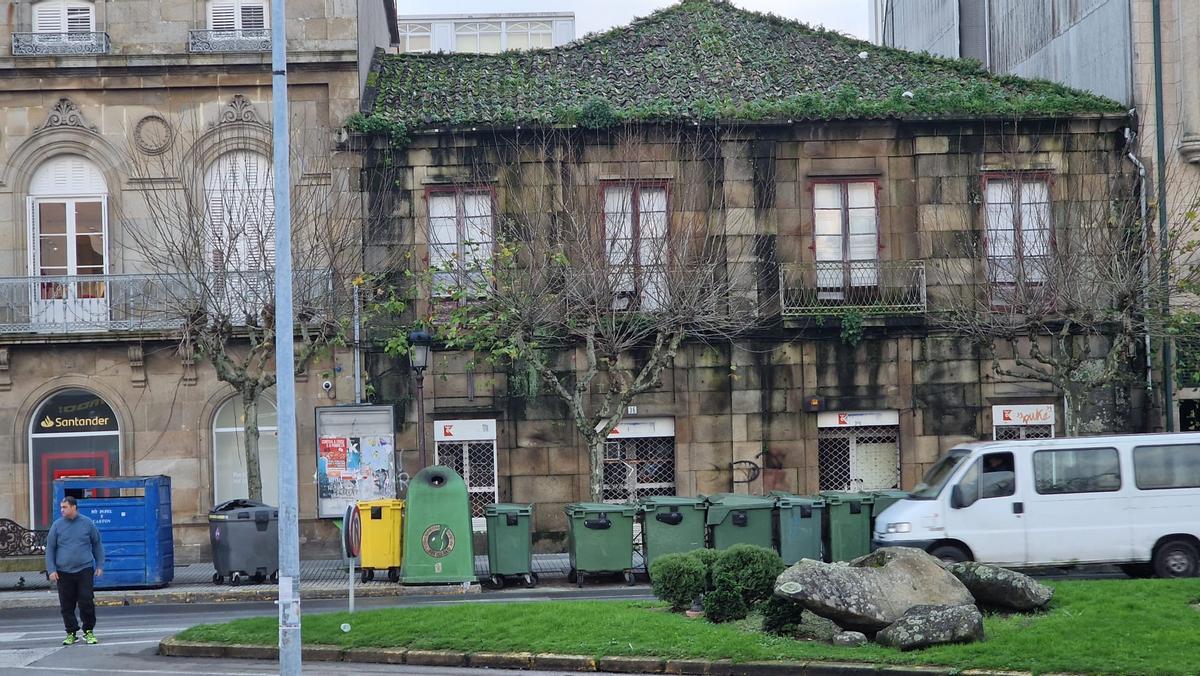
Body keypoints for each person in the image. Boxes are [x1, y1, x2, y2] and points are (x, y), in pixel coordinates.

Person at [45, 496, 104, 645]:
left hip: (84, 568)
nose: (62, 510)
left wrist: (100, 565)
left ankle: (88, 631)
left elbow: (97, 544)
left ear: (74, 507)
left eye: (65, 507)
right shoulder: (57, 526)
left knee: (86, 600)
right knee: (67, 604)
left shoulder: (87, 523)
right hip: (63, 571)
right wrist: (51, 569)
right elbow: (50, 549)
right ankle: (71, 632)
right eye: (61, 507)